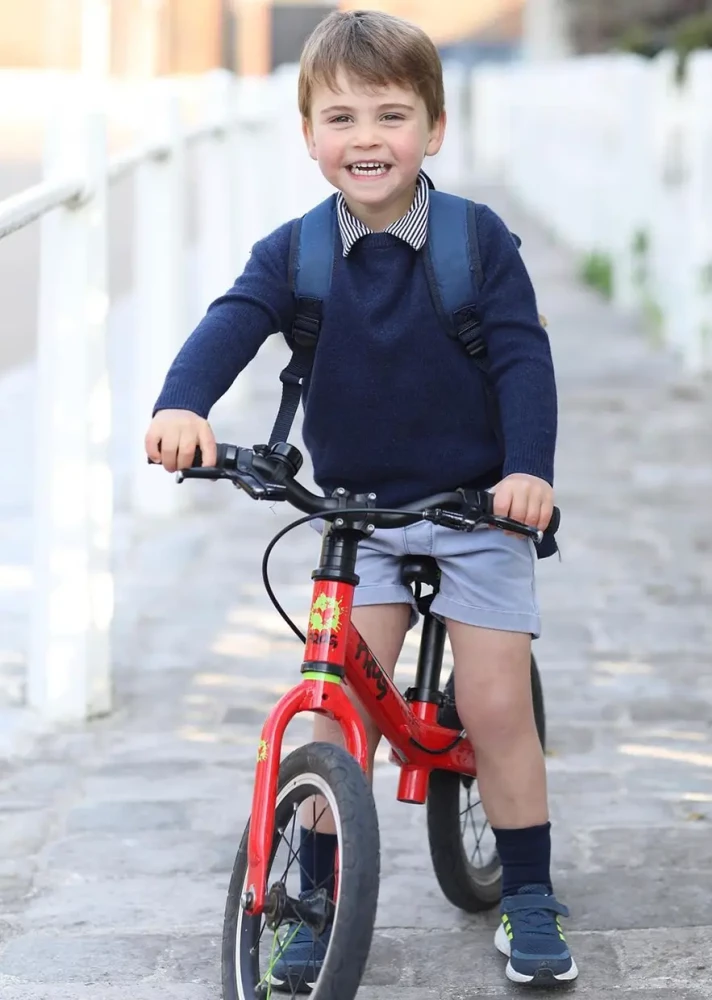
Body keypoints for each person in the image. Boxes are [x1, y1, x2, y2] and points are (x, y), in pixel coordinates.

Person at [144, 8, 576, 990]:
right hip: (355, 515)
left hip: (477, 507)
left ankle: (527, 891)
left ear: (433, 127)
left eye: (391, 114)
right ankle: (309, 897)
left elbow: (520, 356)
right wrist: (182, 404)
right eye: (340, 119)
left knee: (494, 701)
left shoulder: (474, 242)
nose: (366, 139)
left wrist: (527, 470)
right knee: (337, 713)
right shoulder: (293, 252)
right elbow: (232, 323)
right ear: (307, 137)